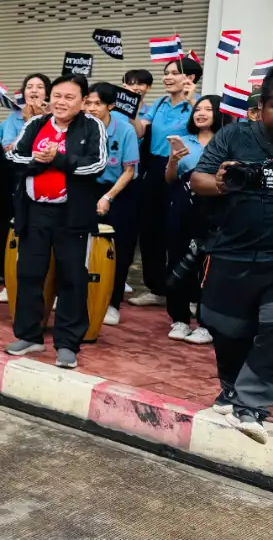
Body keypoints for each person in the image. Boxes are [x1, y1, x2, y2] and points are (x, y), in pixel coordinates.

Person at [190, 68, 273, 443]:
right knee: (226, 328)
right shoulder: (233, 136)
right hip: (231, 252)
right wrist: (220, 182)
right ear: (262, 107)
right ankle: (231, 387)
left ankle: (251, 406)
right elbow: (198, 179)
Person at [4, 74, 107, 369]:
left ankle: (67, 344)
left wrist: (58, 158)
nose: (61, 102)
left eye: (69, 97)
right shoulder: (36, 124)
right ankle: (29, 335)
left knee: (72, 278)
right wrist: (37, 160)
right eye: (57, 96)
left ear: (83, 101)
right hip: (35, 211)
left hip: (71, 215)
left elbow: (97, 165)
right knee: (29, 273)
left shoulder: (92, 126)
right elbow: (15, 157)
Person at [163, 95, 231, 344]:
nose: (201, 113)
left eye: (208, 109)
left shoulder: (228, 141)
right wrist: (173, 160)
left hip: (215, 211)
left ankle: (206, 324)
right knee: (177, 261)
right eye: (198, 109)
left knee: (209, 268)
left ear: (219, 113)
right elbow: (170, 179)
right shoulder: (184, 140)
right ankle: (179, 319)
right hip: (183, 209)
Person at [130, 58, 198, 307]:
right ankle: (156, 288)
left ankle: (187, 294)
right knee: (150, 230)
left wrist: (192, 101)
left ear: (189, 78)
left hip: (184, 169)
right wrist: (133, 109)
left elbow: (209, 127)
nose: (167, 77)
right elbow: (139, 131)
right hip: (155, 167)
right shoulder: (159, 103)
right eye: (166, 73)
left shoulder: (198, 104)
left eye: (173, 73)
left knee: (180, 232)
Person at [0, 73, 49, 291]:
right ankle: (1, 271)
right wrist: (28, 125)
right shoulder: (13, 118)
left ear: (47, 93)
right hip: (12, 176)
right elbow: (8, 148)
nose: (34, 90)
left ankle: (24, 278)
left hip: (41, 178)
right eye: (29, 86)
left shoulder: (54, 118)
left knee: (31, 227)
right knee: (4, 223)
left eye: (39, 87)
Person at [83, 83, 139, 327]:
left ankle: (112, 303)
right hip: (87, 189)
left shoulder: (124, 130)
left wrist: (108, 197)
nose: (91, 108)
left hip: (120, 191)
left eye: (98, 104)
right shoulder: (81, 127)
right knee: (80, 243)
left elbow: (129, 171)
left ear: (111, 106)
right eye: (88, 103)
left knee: (118, 250)